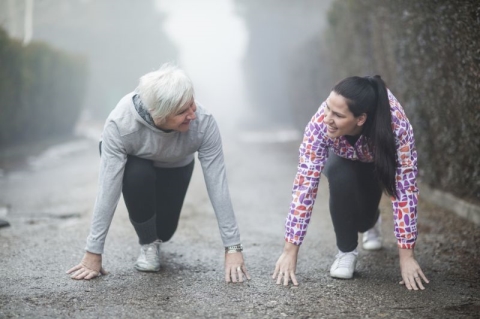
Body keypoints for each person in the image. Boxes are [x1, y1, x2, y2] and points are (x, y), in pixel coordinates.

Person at [67, 63, 250, 283]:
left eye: (191, 104)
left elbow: (217, 183)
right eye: (182, 111)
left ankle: (155, 237)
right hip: (136, 165)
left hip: (176, 164)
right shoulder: (121, 124)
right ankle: (148, 246)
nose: (192, 114)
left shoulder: (204, 122)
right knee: (138, 174)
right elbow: (108, 188)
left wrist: (233, 247)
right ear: (158, 114)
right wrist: (93, 252)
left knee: (164, 232)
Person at [272, 75, 429, 291]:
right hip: (342, 159)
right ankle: (346, 252)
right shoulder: (321, 124)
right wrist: (290, 250)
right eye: (327, 108)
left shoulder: (397, 126)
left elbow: (406, 190)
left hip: (376, 161)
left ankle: (372, 221)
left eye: (337, 115)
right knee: (339, 173)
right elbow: (305, 185)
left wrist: (407, 255)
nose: (327, 118)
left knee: (363, 221)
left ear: (360, 119)